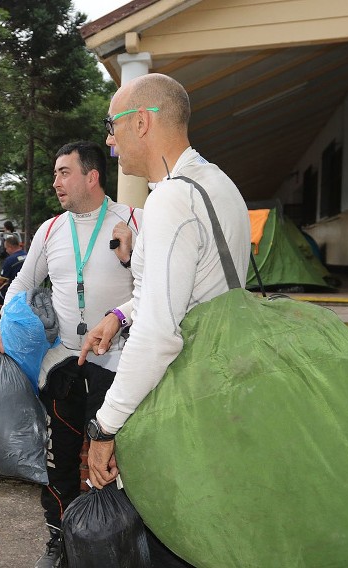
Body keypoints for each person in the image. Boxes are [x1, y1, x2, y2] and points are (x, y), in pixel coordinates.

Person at [78, 74, 251, 490]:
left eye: (112, 125)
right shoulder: (216, 183)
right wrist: (120, 315)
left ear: (140, 122)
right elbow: (186, 284)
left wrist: (105, 427)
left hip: (187, 395)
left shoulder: (171, 200)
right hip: (224, 378)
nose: (111, 141)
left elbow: (158, 335)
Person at [0, 141, 141, 568]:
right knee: (58, 462)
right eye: (55, 173)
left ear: (91, 176)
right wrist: (8, 326)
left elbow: (156, 292)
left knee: (115, 465)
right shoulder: (50, 229)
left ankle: (116, 545)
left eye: (63, 172)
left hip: (116, 368)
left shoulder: (134, 221)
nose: (55, 182)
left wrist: (131, 261)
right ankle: (60, 542)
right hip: (60, 365)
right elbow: (21, 285)